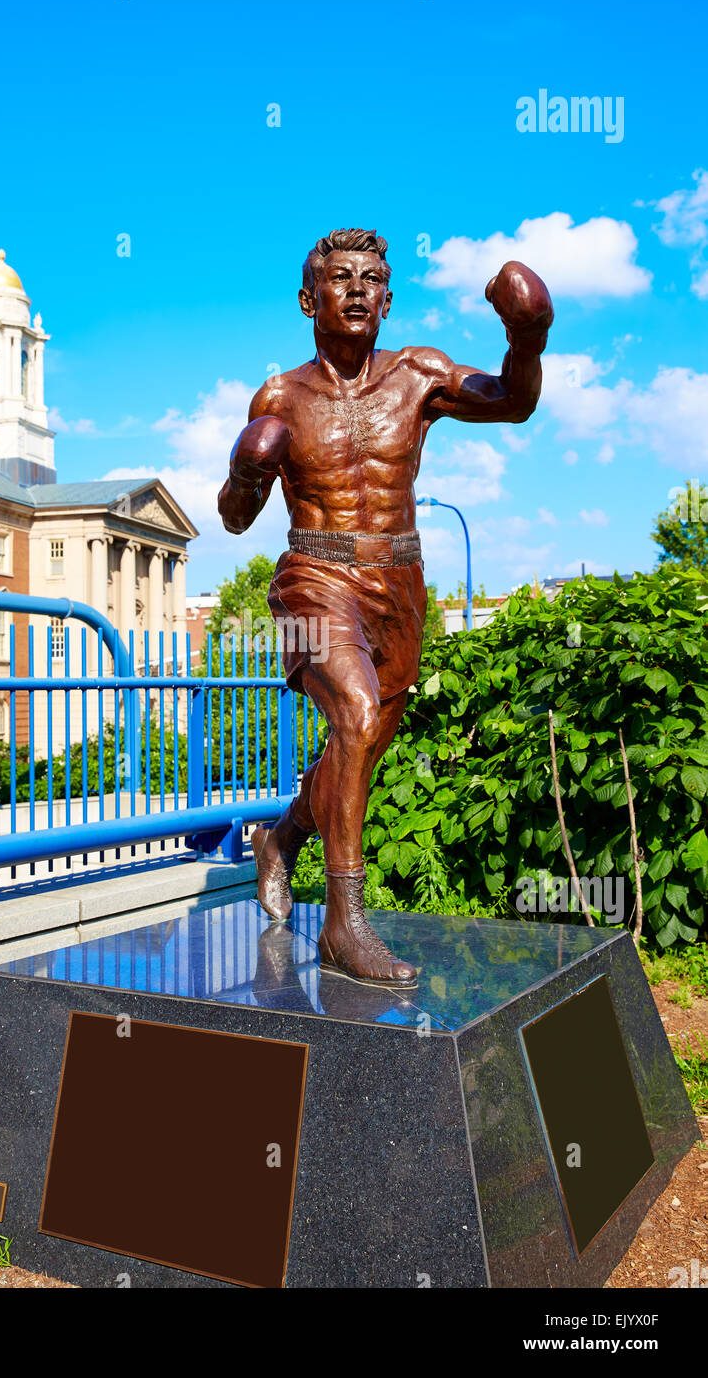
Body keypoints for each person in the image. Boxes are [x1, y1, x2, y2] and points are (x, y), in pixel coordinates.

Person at [218, 228, 552, 986]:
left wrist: (527, 338)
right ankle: (345, 923)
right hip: (314, 576)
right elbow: (237, 517)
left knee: (359, 743)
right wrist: (245, 469)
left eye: (373, 278)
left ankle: (282, 838)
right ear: (310, 299)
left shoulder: (418, 375)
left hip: (399, 585)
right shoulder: (280, 398)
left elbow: (512, 403)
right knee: (358, 715)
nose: (360, 288)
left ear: (389, 298)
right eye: (342, 277)